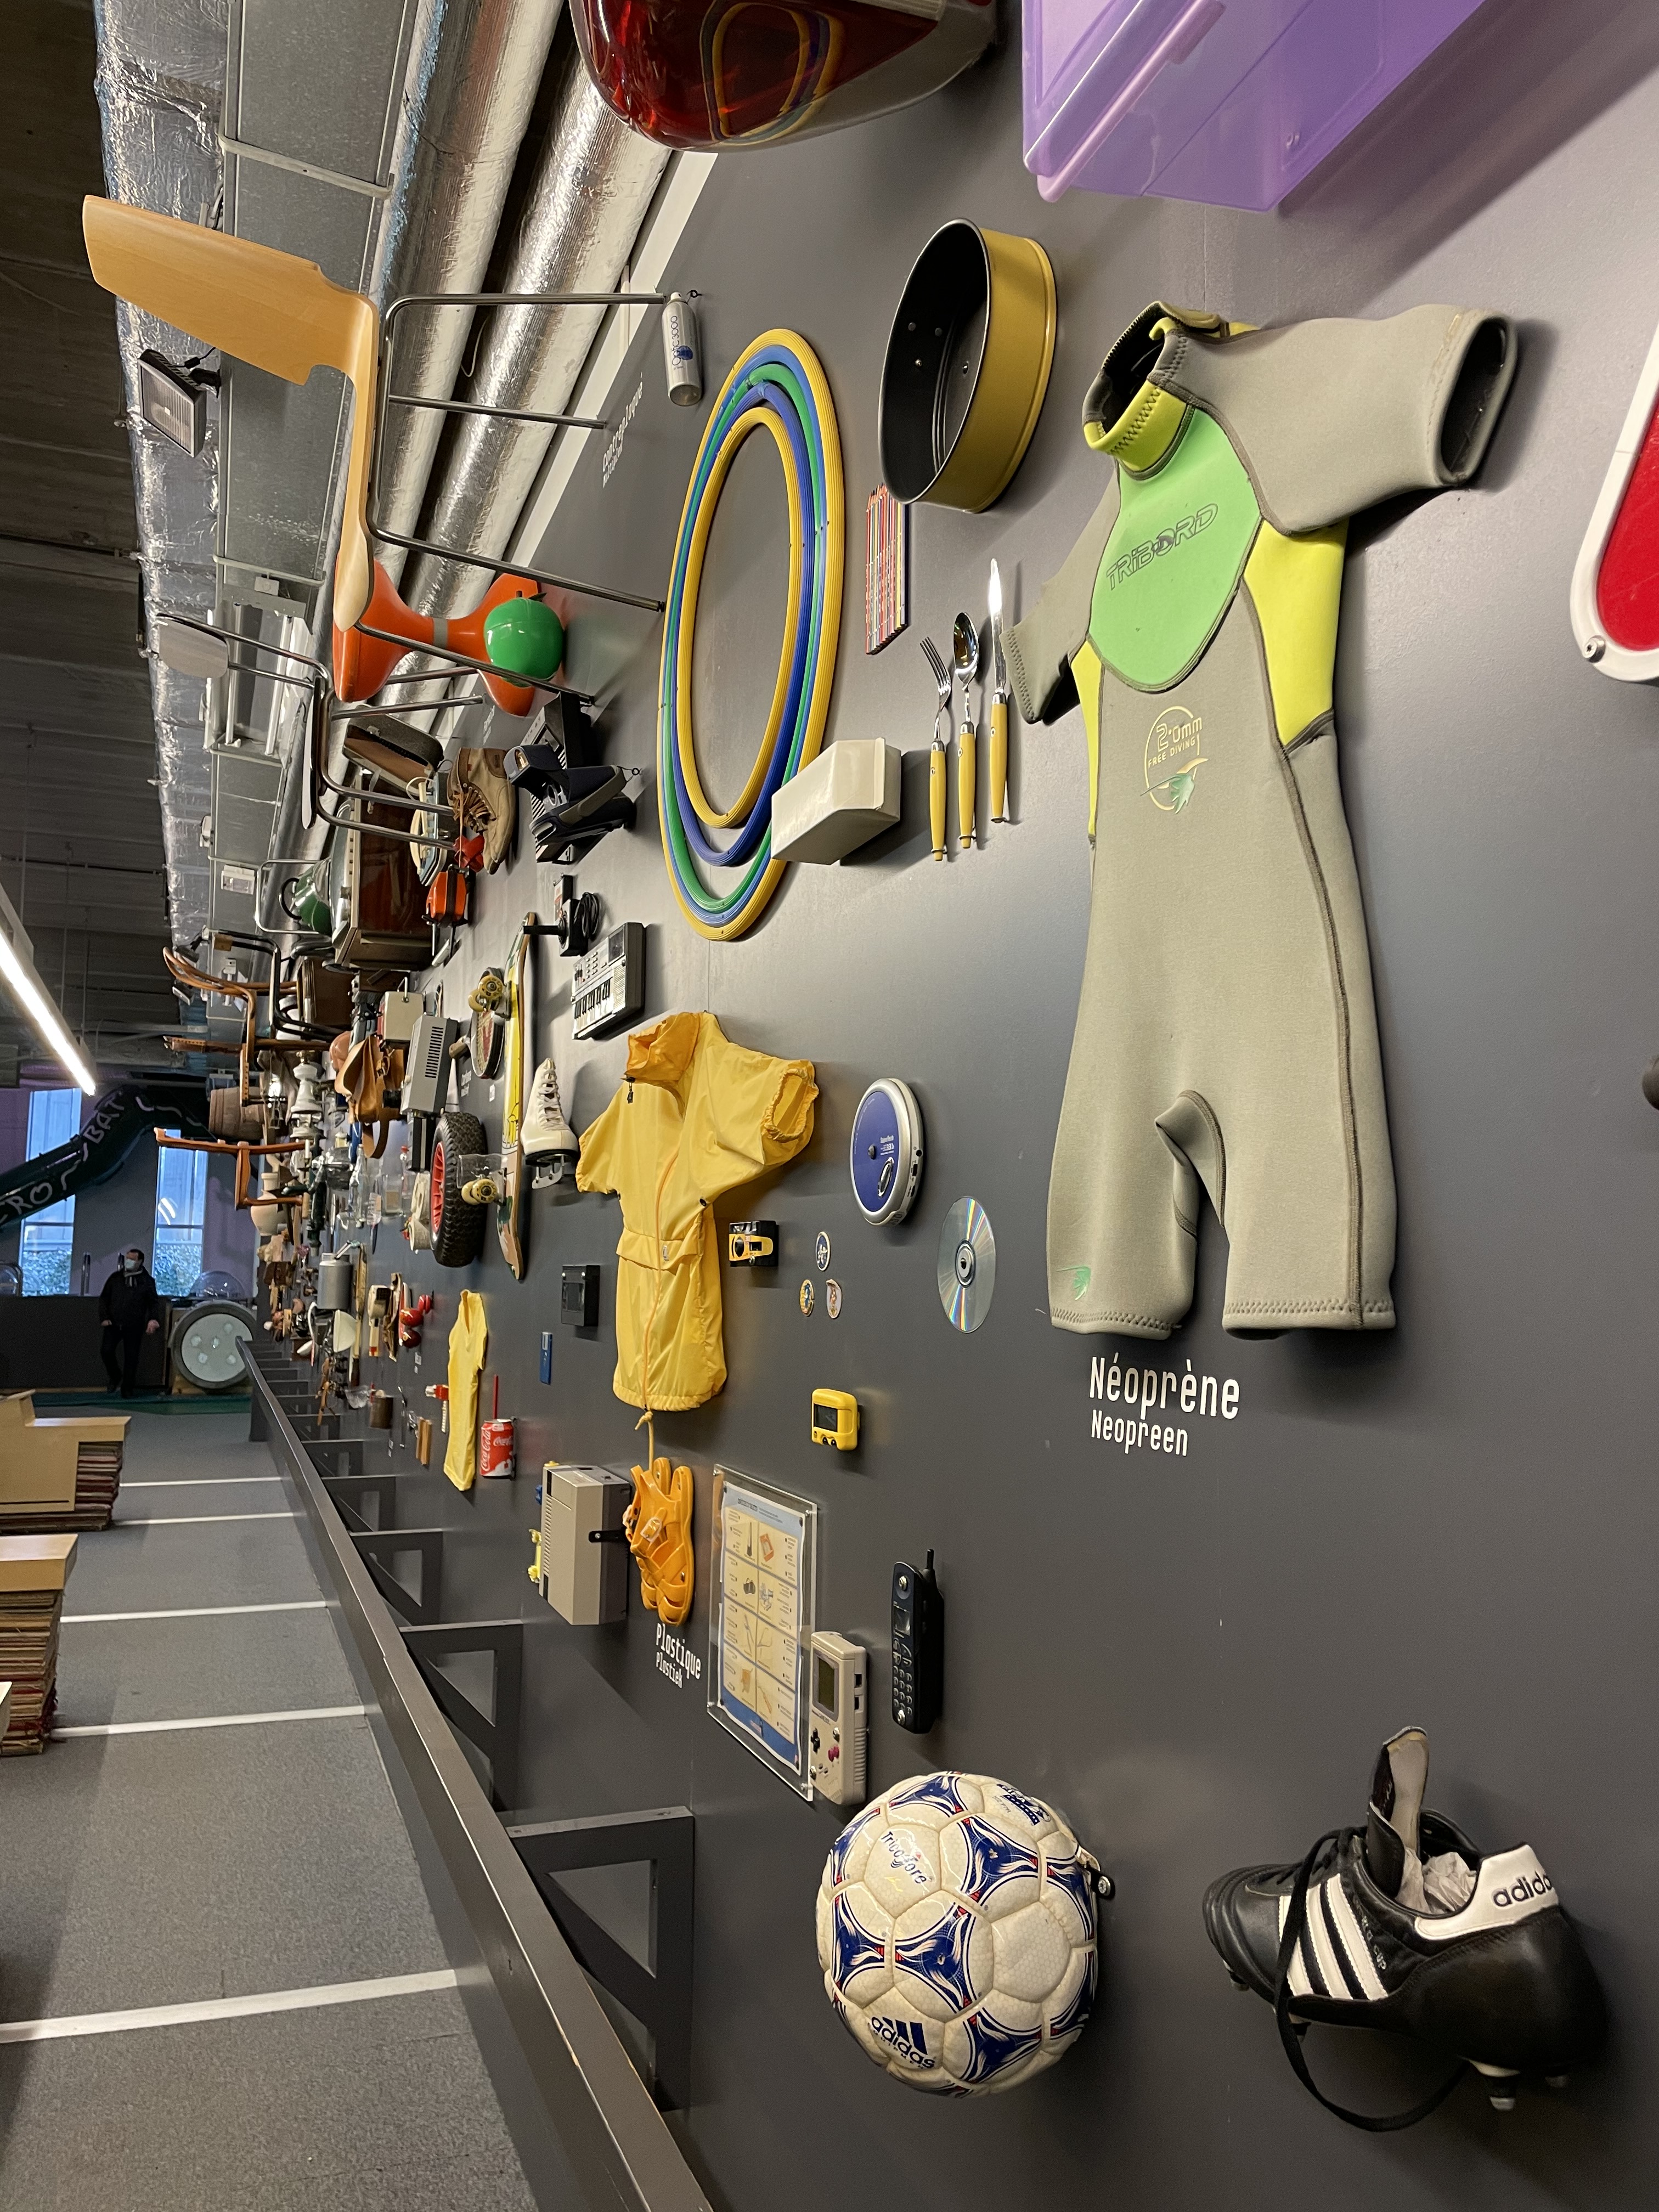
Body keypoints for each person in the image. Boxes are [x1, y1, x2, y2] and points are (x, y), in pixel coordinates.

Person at [99, 1249, 160, 1397]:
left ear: (140, 1262)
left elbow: (153, 1303)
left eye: (132, 1259)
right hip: (114, 1323)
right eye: (128, 1258)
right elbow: (104, 1298)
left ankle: (127, 1388)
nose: (129, 1262)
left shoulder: (147, 1281)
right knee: (106, 1351)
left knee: (131, 1357)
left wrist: (153, 1319)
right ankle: (115, 1376)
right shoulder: (115, 1278)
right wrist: (104, 1317)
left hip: (134, 1324)